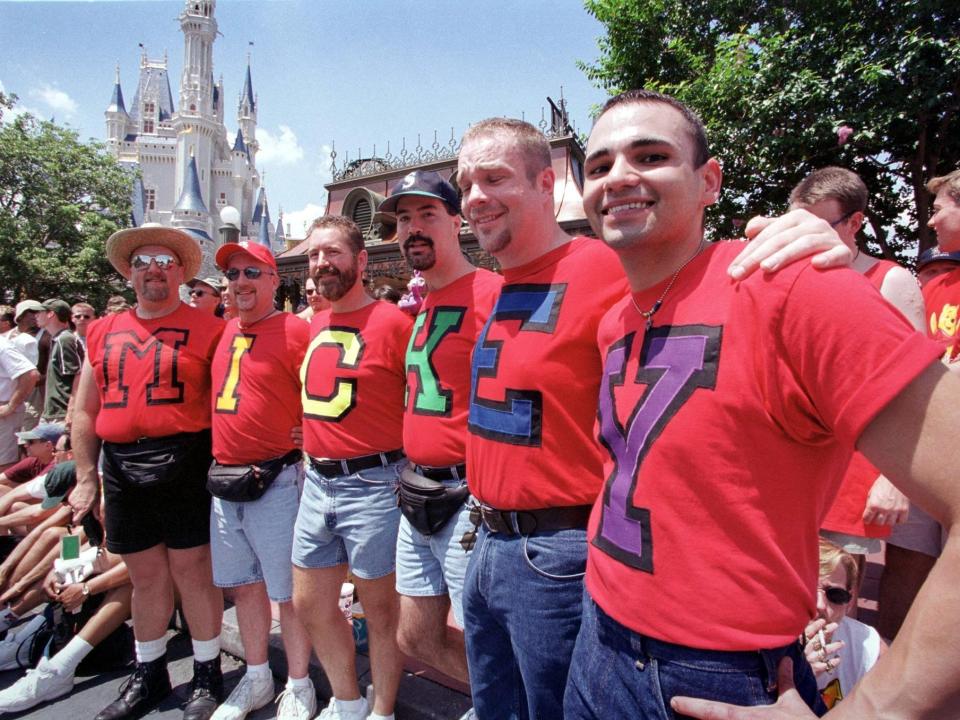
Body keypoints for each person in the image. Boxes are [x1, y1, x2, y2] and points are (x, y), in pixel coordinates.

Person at [568, 88, 960, 720]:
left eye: (650, 155)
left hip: (724, 673)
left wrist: (873, 712)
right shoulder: (616, 317)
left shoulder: (788, 282)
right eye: (599, 165)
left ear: (709, 182)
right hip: (598, 637)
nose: (619, 178)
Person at [456, 117, 853, 720]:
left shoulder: (607, 266)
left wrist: (796, 239)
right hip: (506, 550)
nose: (476, 197)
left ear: (547, 183)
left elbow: (692, 270)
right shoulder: (492, 286)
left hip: (576, 563)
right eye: (465, 184)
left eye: (494, 177)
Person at [69, 223, 226, 720]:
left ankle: (206, 672)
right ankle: (149, 673)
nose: (154, 270)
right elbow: (85, 411)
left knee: (193, 573)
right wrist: (86, 477)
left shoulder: (212, 329)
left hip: (186, 458)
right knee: (144, 577)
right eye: (142, 261)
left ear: (180, 271)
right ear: (129, 274)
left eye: (164, 261)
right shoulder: (101, 331)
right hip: (120, 464)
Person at [378, 171, 501, 693]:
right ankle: (499, 702)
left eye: (427, 215)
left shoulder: (493, 293)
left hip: (469, 494)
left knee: (486, 634)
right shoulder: (423, 302)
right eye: (404, 219)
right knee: (416, 635)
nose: (413, 229)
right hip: (418, 491)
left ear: (457, 220)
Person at [292, 215, 412, 720]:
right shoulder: (310, 324)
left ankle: (381, 710)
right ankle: (347, 700)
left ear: (360, 261)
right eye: (316, 254)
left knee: (381, 615)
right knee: (310, 603)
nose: (323, 263)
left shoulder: (394, 324)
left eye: (333, 252)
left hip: (376, 484)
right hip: (317, 482)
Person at [789, 167, 923, 605]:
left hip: (850, 483)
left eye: (817, 225)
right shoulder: (795, 278)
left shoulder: (891, 281)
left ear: (855, 222)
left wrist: (894, 479)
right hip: (793, 475)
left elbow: (915, 393)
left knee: (829, 612)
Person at [207, 240, 315, 720]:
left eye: (252, 272)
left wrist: (308, 431)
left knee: (287, 592)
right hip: (225, 482)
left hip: (276, 478)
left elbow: (331, 394)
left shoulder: (297, 330)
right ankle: (255, 677)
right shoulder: (224, 332)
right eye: (232, 274)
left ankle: (299, 683)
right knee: (244, 587)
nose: (241, 283)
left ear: (274, 279)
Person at [875, 168, 960, 642]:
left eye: (941, 207)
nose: (931, 221)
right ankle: (885, 664)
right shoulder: (930, 281)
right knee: (906, 559)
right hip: (923, 443)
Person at [803, 538, 886, 711]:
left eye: (835, 595)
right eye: (807, 589)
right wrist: (799, 675)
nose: (819, 604)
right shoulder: (758, 643)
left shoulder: (867, 645)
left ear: (849, 602)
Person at [0, 336, 39, 473]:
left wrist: (11, 406)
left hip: (4, 415)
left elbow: (30, 374)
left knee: (4, 468)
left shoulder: (3, 346)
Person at [39, 299, 81, 423]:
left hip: (62, 414)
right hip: (52, 413)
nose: (35, 316)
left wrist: (71, 411)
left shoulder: (65, 339)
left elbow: (77, 376)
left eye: (39, 312)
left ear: (50, 314)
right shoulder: (57, 338)